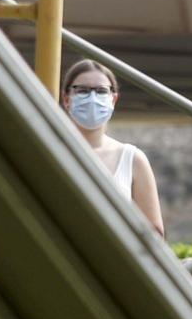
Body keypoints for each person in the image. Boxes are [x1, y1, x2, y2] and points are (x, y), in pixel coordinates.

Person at [61, 59, 163, 237]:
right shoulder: (50, 151)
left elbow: (154, 234)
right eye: (82, 90)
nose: (92, 98)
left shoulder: (132, 159)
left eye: (101, 91)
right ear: (66, 98)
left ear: (113, 99)